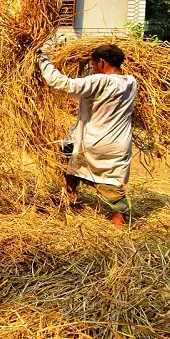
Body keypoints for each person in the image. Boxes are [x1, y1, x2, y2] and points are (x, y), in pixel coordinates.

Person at [37, 44, 137, 227]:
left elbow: (62, 83)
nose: (93, 68)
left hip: (95, 140)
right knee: (112, 181)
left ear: (102, 62)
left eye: (94, 64)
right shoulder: (131, 81)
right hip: (119, 143)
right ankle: (119, 221)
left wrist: (41, 58)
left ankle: (71, 194)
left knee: (69, 158)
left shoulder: (101, 81)